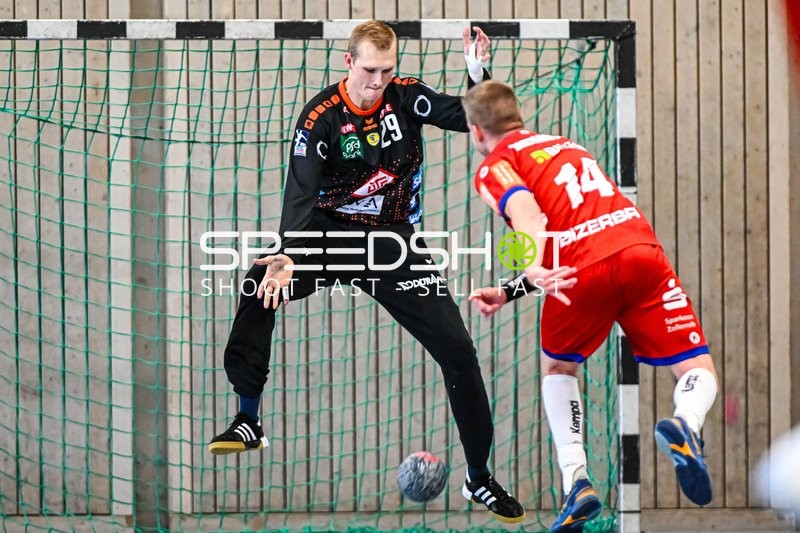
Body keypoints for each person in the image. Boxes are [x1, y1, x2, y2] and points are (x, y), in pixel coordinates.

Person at [207, 21, 525, 524]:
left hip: (392, 243)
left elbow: (468, 118)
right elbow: (301, 193)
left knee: (459, 351)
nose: (378, 81)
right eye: (370, 69)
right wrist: (288, 254)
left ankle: (479, 477)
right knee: (257, 281)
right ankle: (249, 418)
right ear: (349, 63)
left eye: (387, 70)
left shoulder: (406, 97)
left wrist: (476, 71)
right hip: (328, 235)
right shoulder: (320, 119)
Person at [462, 81, 718, 532]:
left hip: (579, 270)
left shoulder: (497, 165)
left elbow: (527, 212)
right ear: (516, 116)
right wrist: (510, 289)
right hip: (640, 251)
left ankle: (576, 481)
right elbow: (585, 223)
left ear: (476, 133)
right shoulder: (565, 144)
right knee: (697, 365)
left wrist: (534, 266)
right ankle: (687, 423)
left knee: (559, 370)